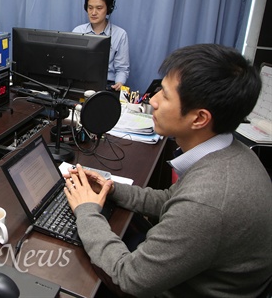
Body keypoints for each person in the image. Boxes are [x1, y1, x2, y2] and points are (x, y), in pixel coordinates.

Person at [64, 44, 272, 297]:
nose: (153, 100)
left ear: (199, 118)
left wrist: (86, 211)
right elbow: (172, 201)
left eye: (165, 94)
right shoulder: (231, 154)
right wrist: (111, 189)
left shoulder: (208, 202)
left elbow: (129, 278)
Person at [73, 0, 129, 92]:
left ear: (108, 9)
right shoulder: (78, 31)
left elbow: (122, 68)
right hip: (81, 84)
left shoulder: (120, 34)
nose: (93, 12)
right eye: (90, 8)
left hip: (107, 85)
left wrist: (119, 83)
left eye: (99, 8)